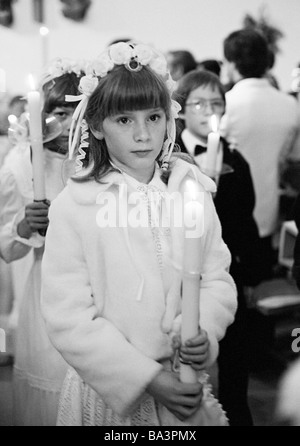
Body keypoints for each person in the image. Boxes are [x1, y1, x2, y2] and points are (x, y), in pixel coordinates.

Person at [41, 41, 237, 426]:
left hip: (183, 385)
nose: (144, 135)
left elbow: (216, 278)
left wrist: (203, 331)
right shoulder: (76, 205)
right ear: (97, 126)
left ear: (169, 118)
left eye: (153, 117)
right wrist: (147, 378)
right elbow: (69, 318)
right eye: (125, 120)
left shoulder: (191, 190)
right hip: (111, 397)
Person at [0, 57, 86, 425]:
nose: (66, 125)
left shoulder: (95, 158)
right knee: (53, 384)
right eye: (58, 114)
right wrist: (24, 226)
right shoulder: (22, 161)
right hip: (47, 288)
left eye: (75, 112)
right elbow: (6, 243)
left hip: (99, 287)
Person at [175, 69, 263, 425]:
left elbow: (246, 218)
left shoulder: (236, 160)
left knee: (233, 365)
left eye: (217, 103)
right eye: (199, 103)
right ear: (180, 109)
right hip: (180, 271)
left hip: (227, 270)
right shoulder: (168, 155)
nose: (209, 111)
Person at [222, 29, 300, 281]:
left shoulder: (228, 103)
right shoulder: (290, 106)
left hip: (227, 212)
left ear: (232, 64)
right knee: (260, 280)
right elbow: (294, 158)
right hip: (268, 212)